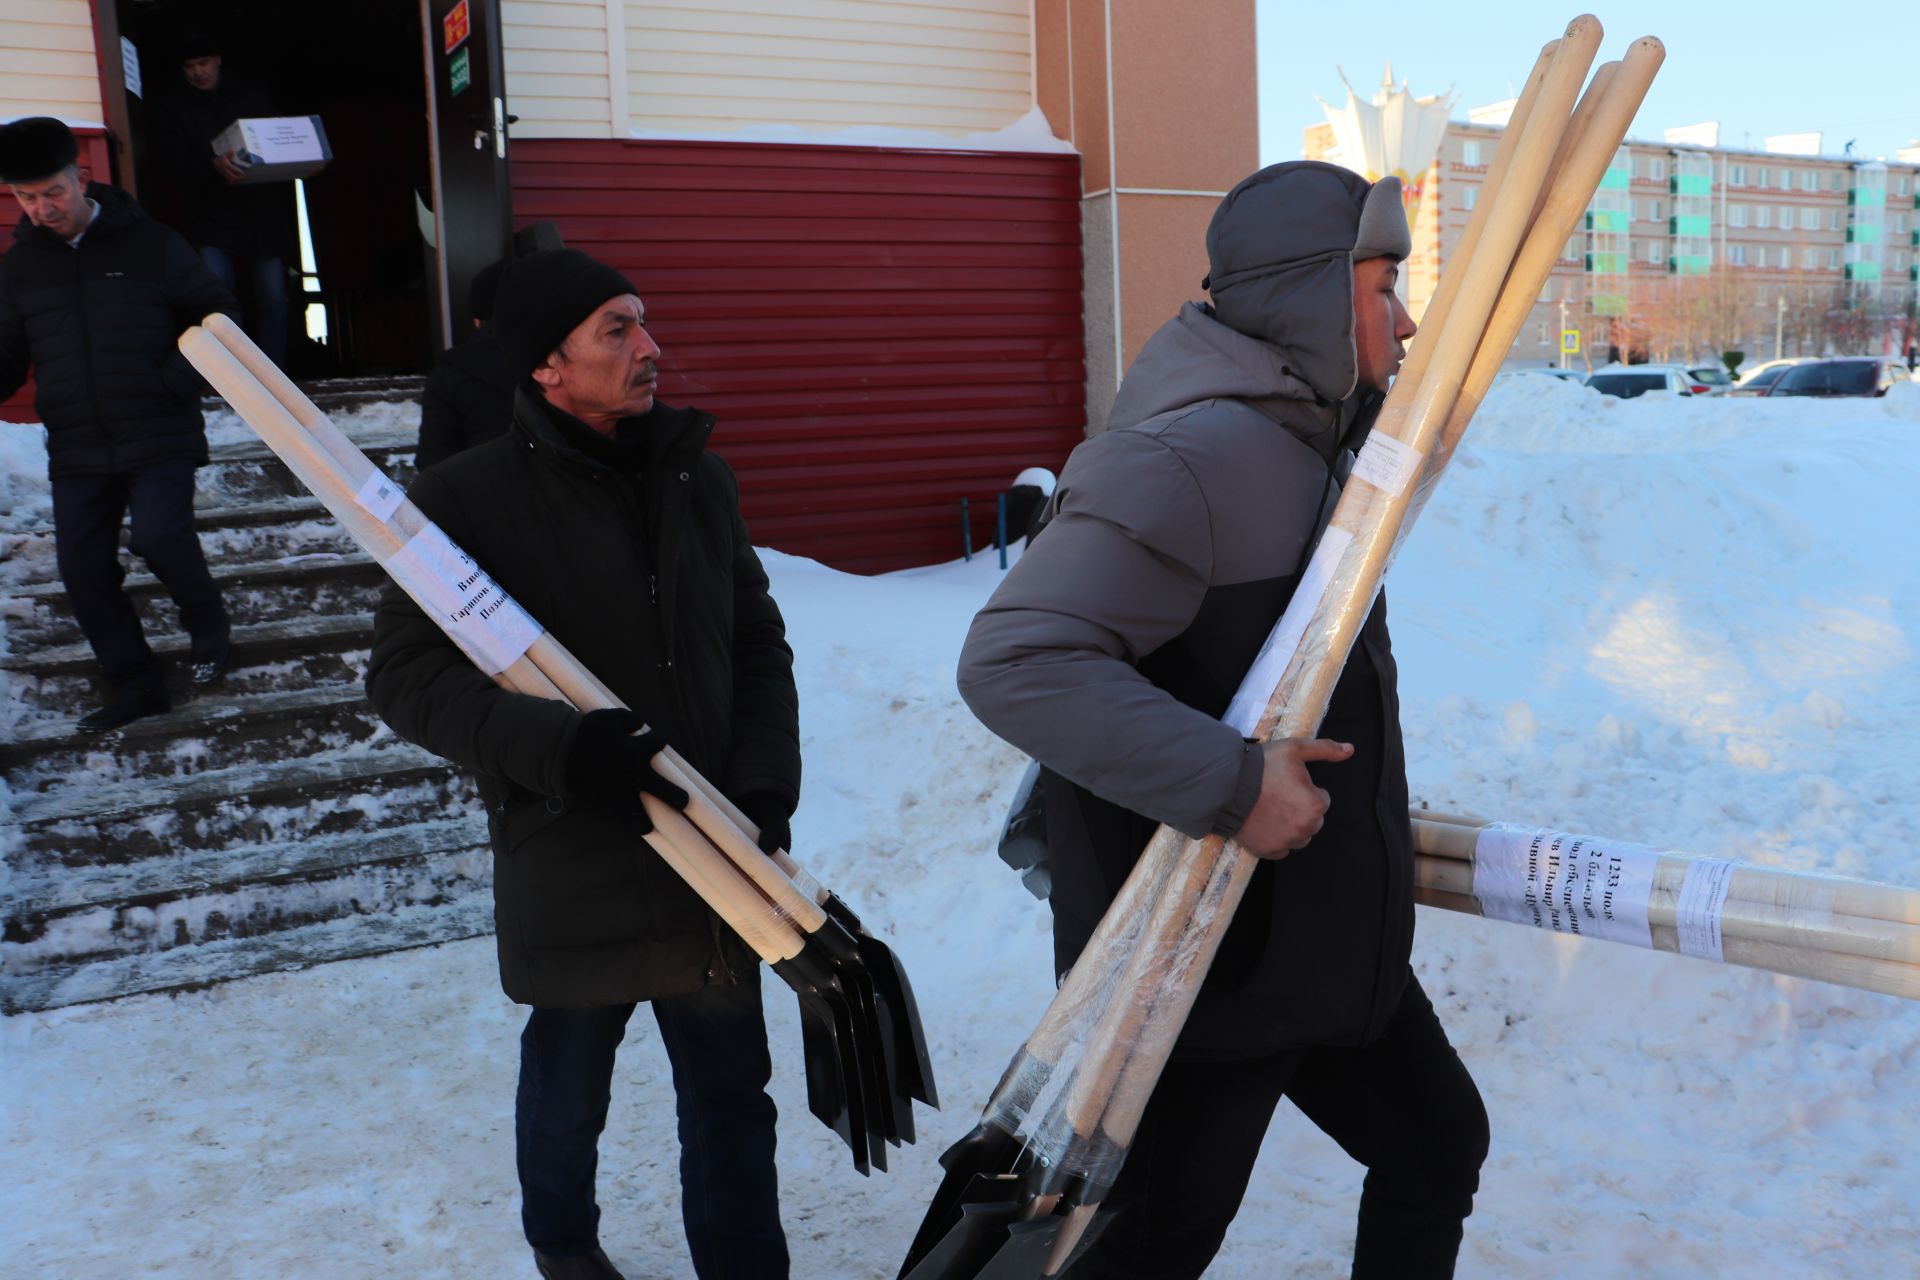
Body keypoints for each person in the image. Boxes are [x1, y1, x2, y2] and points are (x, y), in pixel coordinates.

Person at [956, 161, 1489, 1279]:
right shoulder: (1190, 458)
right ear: (1305, 293)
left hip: (1325, 935)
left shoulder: (1316, 456)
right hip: (1210, 958)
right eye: (1383, 285)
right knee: (1153, 1241)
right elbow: (1015, 661)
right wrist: (1238, 784)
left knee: (1436, 1140)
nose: (1407, 318)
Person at [364, 249, 800, 1280]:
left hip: (712, 848)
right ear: (547, 367)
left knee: (734, 1099)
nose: (650, 347)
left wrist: (767, 779)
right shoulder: (462, 502)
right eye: (617, 329)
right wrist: (562, 748)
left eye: (643, 322)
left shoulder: (698, 476)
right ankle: (562, 1243)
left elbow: (754, 637)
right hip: (573, 847)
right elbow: (406, 678)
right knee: (567, 1085)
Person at [0, 117, 238, 732]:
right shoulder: (19, 266)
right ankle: (135, 682)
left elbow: (219, 315)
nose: (41, 209)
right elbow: (6, 354)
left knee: (159, 536)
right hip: (78, 443)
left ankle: (208, 627)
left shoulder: (152, 244)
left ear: (83, 178)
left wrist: (174, 383)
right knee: (81, 568)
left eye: (52, 192)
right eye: (25, 197)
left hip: (159, 429)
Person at [149, 32, 295, 367]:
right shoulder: (173, 106)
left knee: (273, 297)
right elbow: (168, 161)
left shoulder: (254, 94)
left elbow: (281, 140)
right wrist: (211, 166)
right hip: (211, 216)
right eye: (189, 66)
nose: (198, 71)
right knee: (215, 300)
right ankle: (225, 378)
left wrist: (302, 162)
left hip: (263, 214)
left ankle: (277, 377)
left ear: (218, 60)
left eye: (203, 62)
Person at [415, 256, 516, 470]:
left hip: (481, 496)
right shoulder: (561, 362)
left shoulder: (450, 374)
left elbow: (431, 461)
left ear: (477, 320)